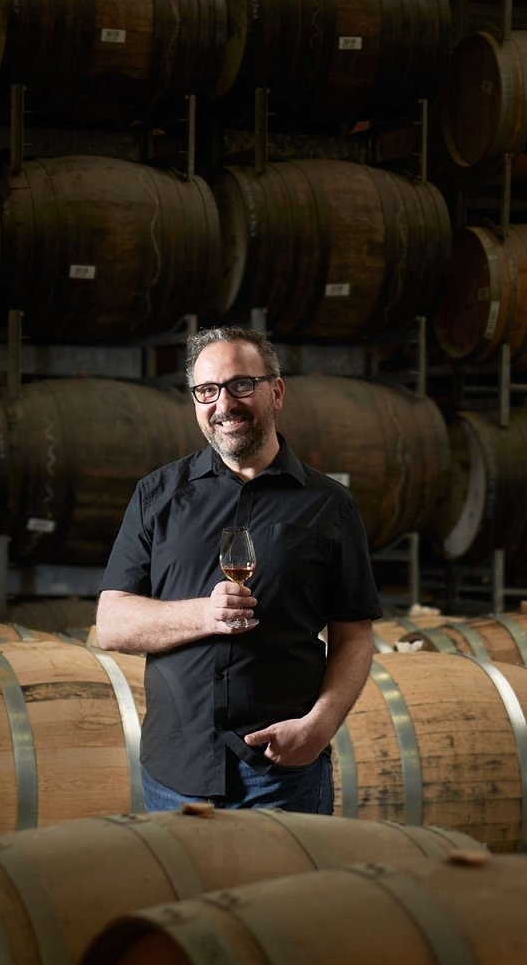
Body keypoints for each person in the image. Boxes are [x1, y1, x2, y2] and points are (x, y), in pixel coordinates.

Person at [95, 325, 383, 813]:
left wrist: (318, 728)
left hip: (281, 773)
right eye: (207, 390)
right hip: (175, 772)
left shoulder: (329, 506)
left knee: (279, 894)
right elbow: (111, 624)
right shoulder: (158, 496)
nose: (223, 404)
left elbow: (354, 637)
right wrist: (205, 616)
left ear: (276, 392)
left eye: (240, 385)